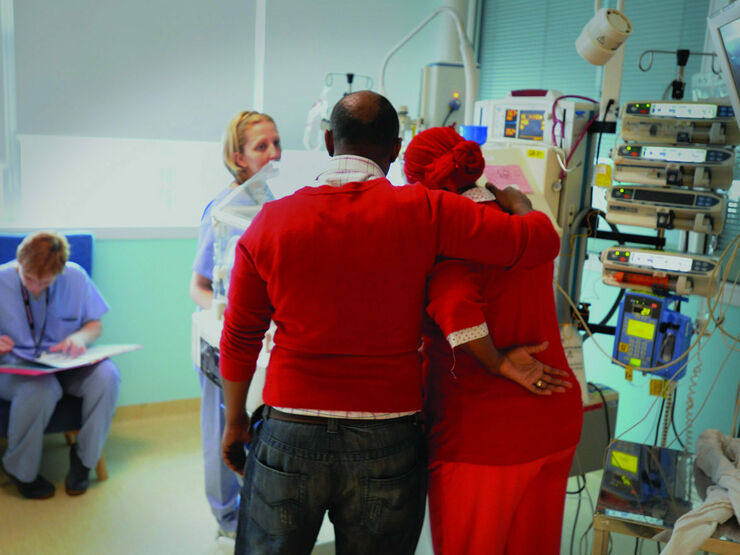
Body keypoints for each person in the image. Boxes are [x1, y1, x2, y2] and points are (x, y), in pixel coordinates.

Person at [218, 90, 561, 555]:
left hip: (290, 433)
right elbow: (537, 243)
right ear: (395, 149)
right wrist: (521, 205)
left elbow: (239, 337)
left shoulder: (271, 223)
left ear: (326, 139)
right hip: (387, 436)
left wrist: (235, 422)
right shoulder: (426, 211)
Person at [404, 126, 584, 554]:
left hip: (485, 436)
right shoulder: (525, 222)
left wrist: (499, 363)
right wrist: (522, 204)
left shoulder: (454, 234)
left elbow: (456, 306)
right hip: (552, 421)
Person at [189, 110, 281, 543]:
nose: (274, 154)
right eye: (261, 146)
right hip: (225, 340)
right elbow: (199, 285)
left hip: (264, 341)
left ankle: (256, 516)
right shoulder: (224, 211)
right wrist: (229, 316)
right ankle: (227, 519)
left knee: (257, 430)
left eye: (276, 143)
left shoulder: (275, 204)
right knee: (222, 433)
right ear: (238, 156)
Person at [0, 231, 120, 499]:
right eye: (28, 278)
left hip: (66, 364)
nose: (34, 288)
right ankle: (19, 470)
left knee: (107, 376)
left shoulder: (75, 277)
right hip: (15, 367)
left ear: (60, 271)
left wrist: (79, 337)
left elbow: (94, 325)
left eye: (44, 282)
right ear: (19, 262)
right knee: (41, 389)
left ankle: (84, 459)